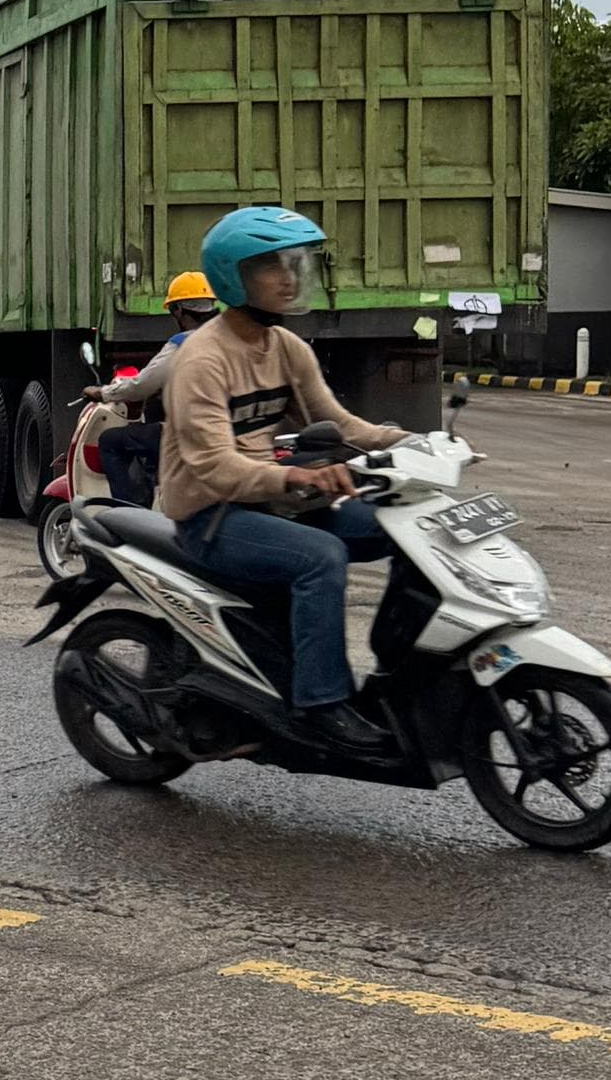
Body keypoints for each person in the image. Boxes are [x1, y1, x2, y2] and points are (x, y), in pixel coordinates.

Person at [154, 207, 406, 752]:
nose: (289, 277)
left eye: (294, 263)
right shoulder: (202, 361)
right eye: (270, 266)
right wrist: (295, 477)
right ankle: (320, 705)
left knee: (405, 527)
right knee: (320, 558)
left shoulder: (287, 348)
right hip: (211, 514)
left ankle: (400, 673)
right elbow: (214, 467)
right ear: (232, 278)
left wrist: (410, 443)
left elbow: (339, 423)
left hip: (270, 501)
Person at [94, 267, 218, 504]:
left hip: (190, 436)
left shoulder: (181, 344)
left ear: (178, 310)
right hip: (226, 433)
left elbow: (141, 387)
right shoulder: (228, 338)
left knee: (110, 441)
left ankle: (128, 512)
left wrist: (103, 393)